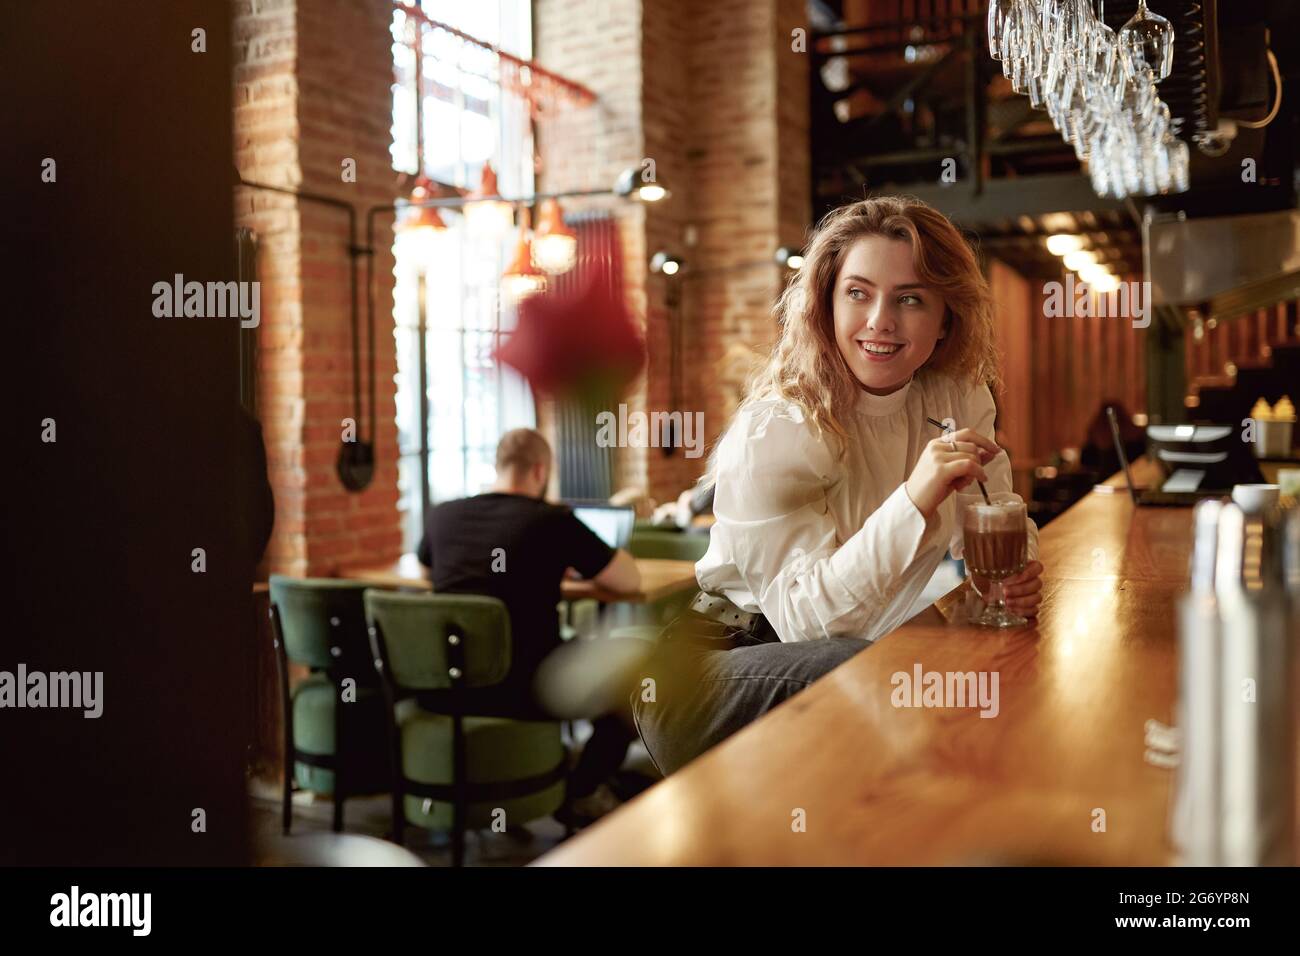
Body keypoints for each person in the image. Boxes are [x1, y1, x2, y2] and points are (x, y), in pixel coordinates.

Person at [633, 196, 1045, 776]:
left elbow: (995, 510)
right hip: (714, 670)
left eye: (910, 298)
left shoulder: (957, 397)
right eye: (857, 293)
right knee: (875, 674)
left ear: (946, 318)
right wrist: (914, 500)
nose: (880, 320)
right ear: (825, 306)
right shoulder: (779, 426)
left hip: (848, 651)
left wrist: (1011, 573)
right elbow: (805, 625)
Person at [417, 428, 642, 822]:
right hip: (530, 690)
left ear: (498, 466)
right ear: (540, 471)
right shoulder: (552, 520)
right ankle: (582, 790)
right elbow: (628, 581)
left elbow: (425, 571)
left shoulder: (443, 514)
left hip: (446, 687)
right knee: (635, 675)